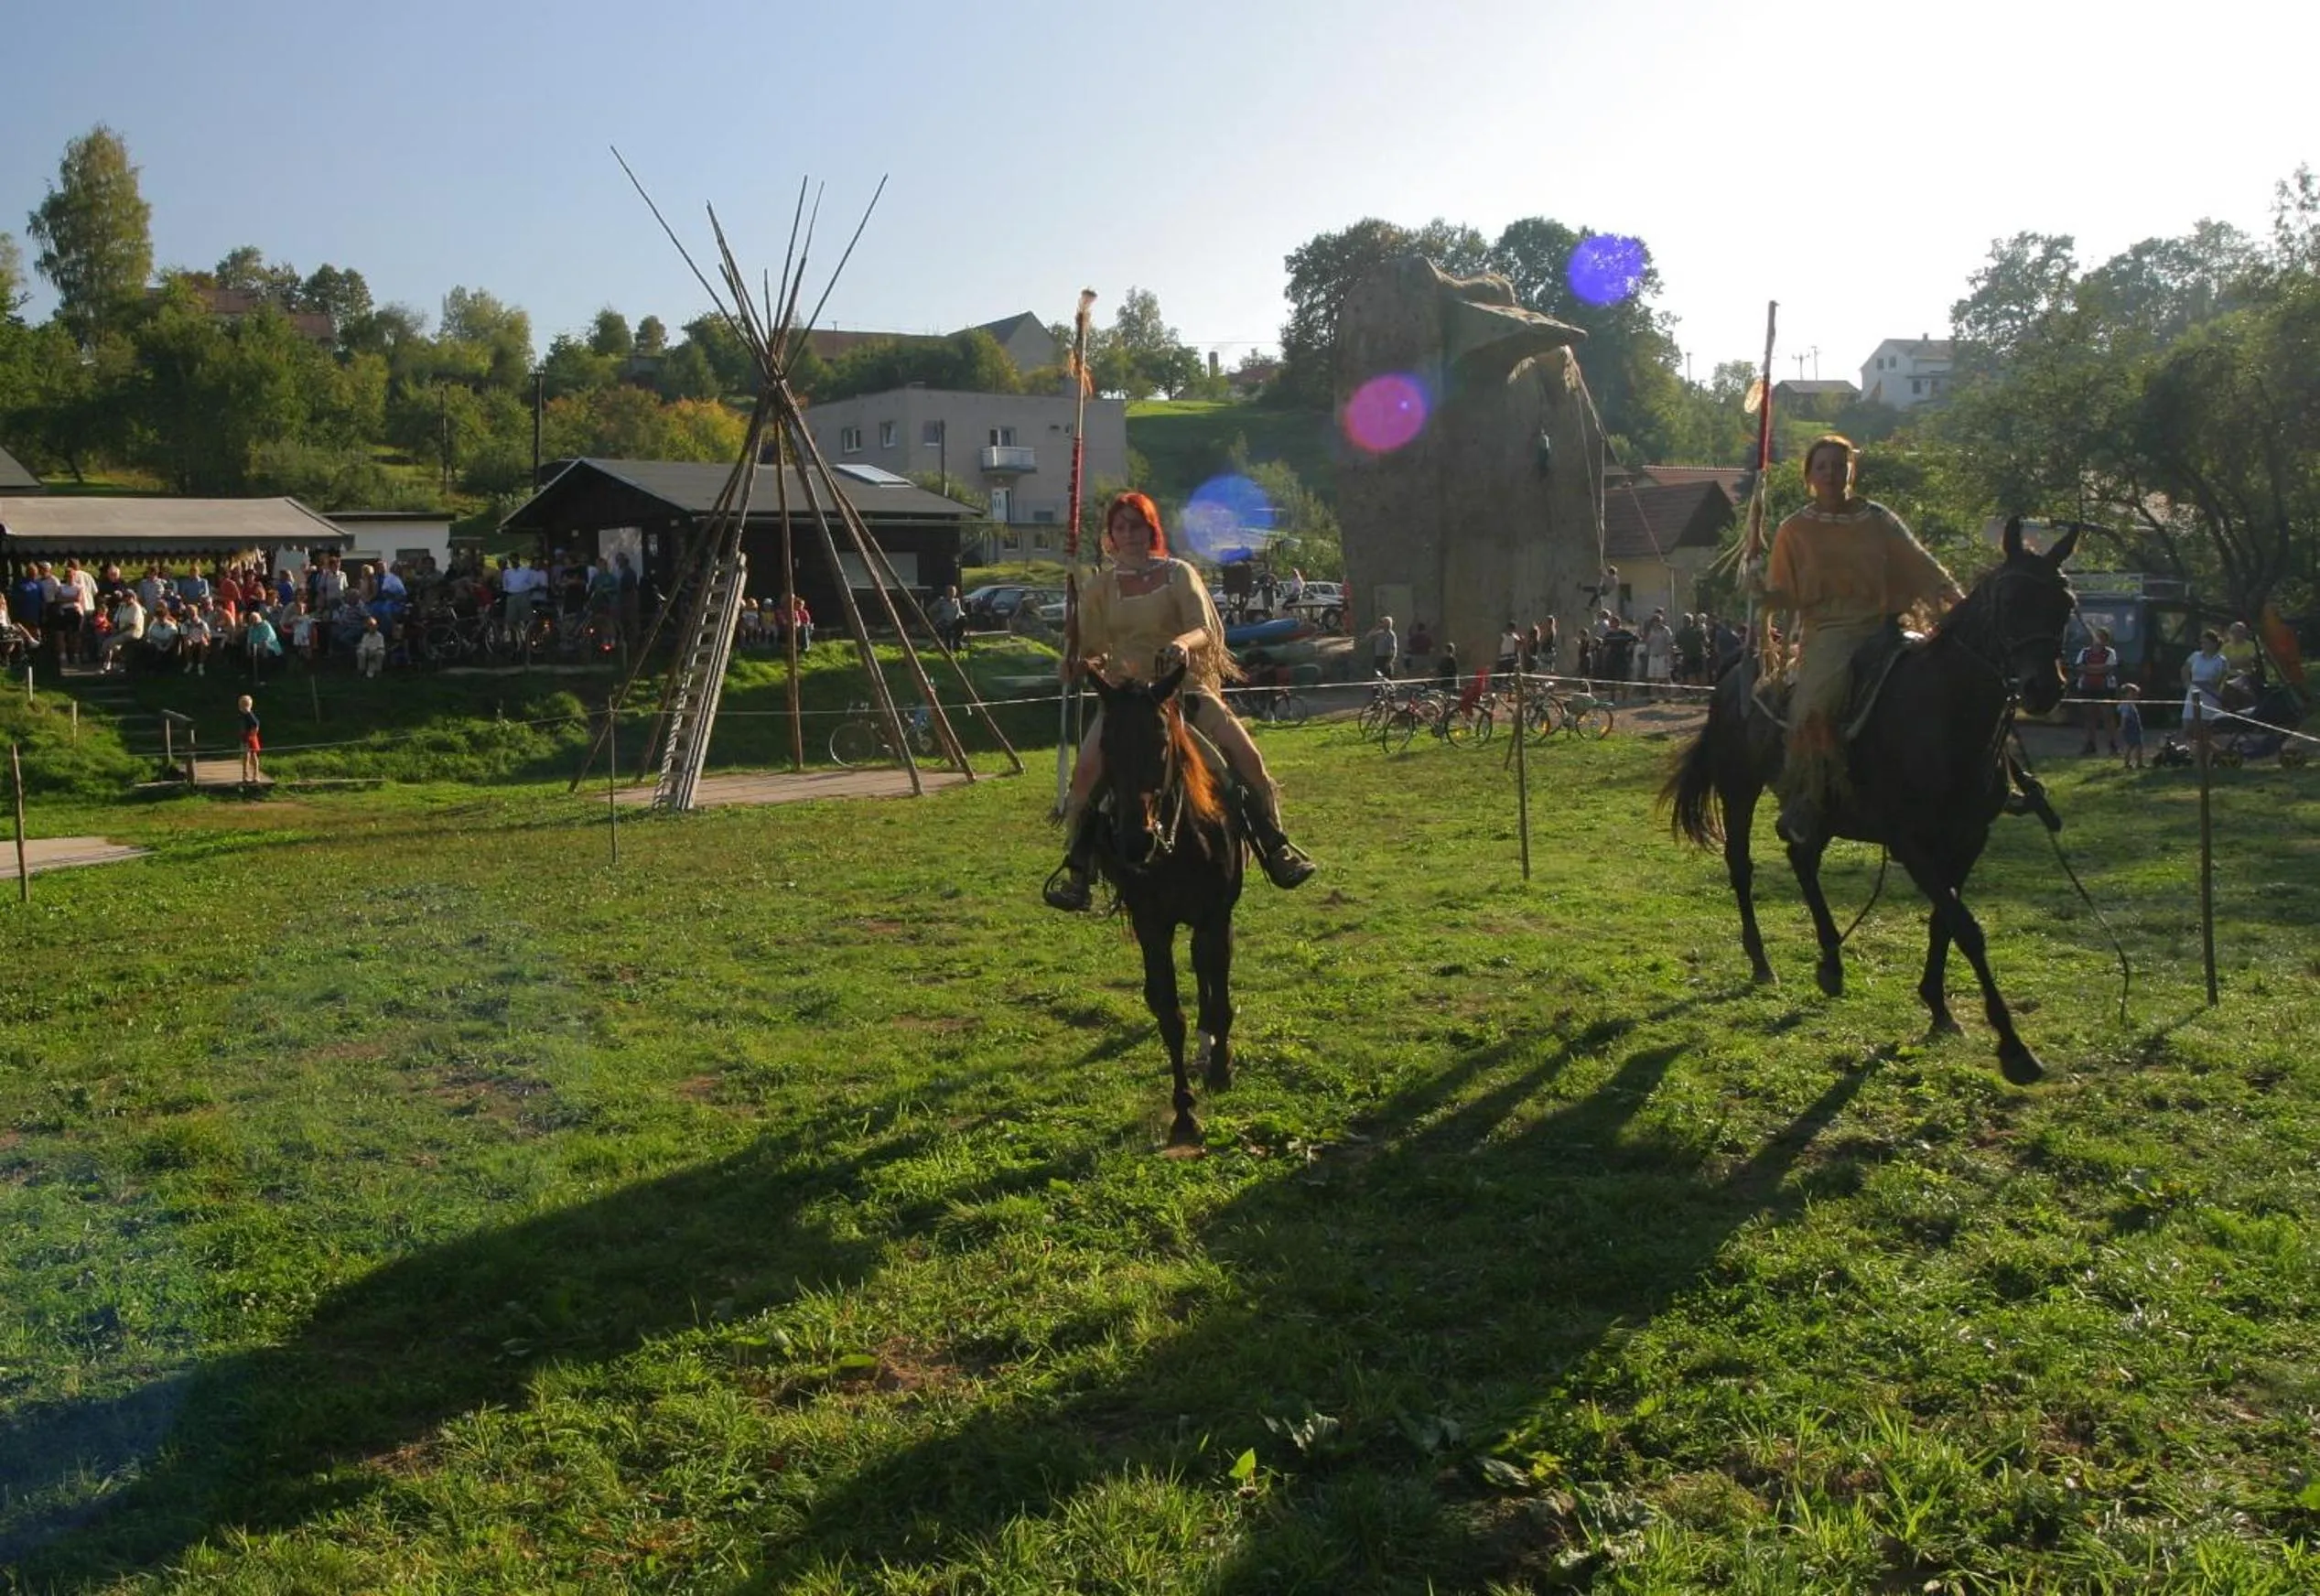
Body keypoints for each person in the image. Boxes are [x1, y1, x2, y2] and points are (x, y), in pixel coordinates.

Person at [1044, 491, 1315, 910]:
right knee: (1084, 778)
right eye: (1121, 527)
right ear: (1111, 536)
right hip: (1125, 701)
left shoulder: (1178, 573)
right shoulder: (1099, 587)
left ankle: (1274, 844)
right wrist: (1075, 663)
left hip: (1180, 690)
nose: (1129, 534)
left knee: (1246, 758)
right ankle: (1079, 870)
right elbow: (1093, 649)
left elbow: (1202, 627)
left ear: (1151, 529)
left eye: (1137, 525)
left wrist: (1181, 644)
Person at [1756, 433, 1964, 842]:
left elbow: (1918, 561)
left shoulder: (1878, 518)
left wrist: (1955, 598)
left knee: (1951, 680)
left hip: (1886, 624)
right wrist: (1759, 591)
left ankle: (1987, 778)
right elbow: (1783, 591)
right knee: (1816, 703)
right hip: (1831, 633)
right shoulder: (1793, 530)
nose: (1832, 474)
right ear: (1810, 476)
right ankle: (1808, 797)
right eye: (1823, 467)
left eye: (1840, 465)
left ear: (1852, 470)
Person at [2073, 625, 2120, 754]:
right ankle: (2090, 744)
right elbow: (2079, 667)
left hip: (2105, 687)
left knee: (2108, 716)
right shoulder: (2084, 652)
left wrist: (2090, 668)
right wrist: (2097, 669)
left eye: (2102, 637)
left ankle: (2112, 744)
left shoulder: (2110, 652)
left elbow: (2108, 668)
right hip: (2086, 686)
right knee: (2089, 716)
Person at [2182, 629, 2228, 741]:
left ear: (2214, 643)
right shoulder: (2195, 656)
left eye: (2206, 642)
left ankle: (2205, 753)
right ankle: (2192, 751)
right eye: (2202, 642)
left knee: (2205, 729)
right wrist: (2187, 684)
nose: (2203, 645)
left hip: (2210, 696)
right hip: (2193, 694)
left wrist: (2210, 685)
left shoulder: (2221, 660)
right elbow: (2185, 670)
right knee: (2188, 727)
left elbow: (2220, 680)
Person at [2118, 683, 2145, 770]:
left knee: (2139, 746)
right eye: (2133, 694)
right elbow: (2124, 717)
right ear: (2125, 695)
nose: (2135, 696)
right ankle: (2127, 763)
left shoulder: (2131, 704)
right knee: (2130, 746)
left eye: (2136, 694)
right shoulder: (2126, 705)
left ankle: (2139, 763)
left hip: (2135, 728)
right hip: (2130, 728)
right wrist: (2122, 726)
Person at [237, 694, 264, 785]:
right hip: (245, 737)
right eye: (241, 706)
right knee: (245, 757)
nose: (242, 708)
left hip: (250, 738)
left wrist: (252, 735)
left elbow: (256, 725)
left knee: (253, 756)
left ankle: (256, 775)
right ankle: (245, 776)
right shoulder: (242, 715)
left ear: (248, 706)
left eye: (244, 706)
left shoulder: (249, 715)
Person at [1367, 614, 1399, 679]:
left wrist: (1390, 661)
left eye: (1388, 624)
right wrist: (1376, 628)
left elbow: (1394, 649)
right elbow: (1368, 637)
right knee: (1376, 678)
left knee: (1387, 678)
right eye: (1384, 623)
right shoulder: (1379, 633)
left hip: (1386, 658)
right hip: (1378, 658)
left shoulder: (1391, 635)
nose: (1386, 625)